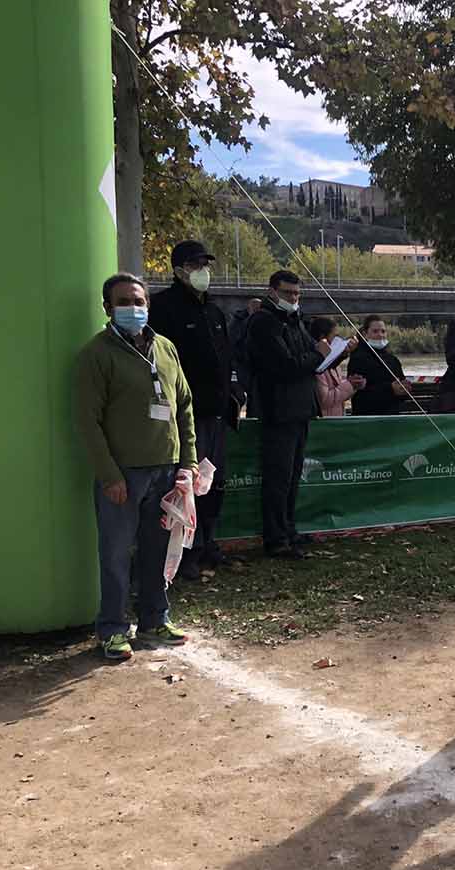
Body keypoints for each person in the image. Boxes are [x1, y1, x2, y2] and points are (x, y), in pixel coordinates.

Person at [74, 272, 195, 661]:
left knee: (156, 550)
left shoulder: (166, 348)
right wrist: (110, 475)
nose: (134, 309)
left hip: (166, 470)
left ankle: (155, 619)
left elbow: (185, 408)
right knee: (115, 553)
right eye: (124, 302)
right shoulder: (97, 355)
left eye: (139, 301)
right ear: (108, 308)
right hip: (125, 476)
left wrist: (188, 463)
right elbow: (87, 421)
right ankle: (111, 629)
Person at [148, 239, 242, 579]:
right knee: (185, 484)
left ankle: (207, 545)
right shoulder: (163, 308)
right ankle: (181, 553)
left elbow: (227, 356)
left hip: (218, 412)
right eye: (195, 264)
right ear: (178, 269)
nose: (203, 271)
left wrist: (234, 390)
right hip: (185, 415)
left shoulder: (214, 310)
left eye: (205, 264)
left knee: (213, 484)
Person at [247, 270, 321, 560]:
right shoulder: (265, 323)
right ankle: (275, 537)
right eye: (288, 293)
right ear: (272, 291)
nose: (294, 298)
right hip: (278, 410)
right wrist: (318, 355)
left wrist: (325, 355)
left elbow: (305, 360)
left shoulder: (294, 320)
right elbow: (286, 365)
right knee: (278, 478)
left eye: (297, 294)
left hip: (300, 409)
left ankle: (288, 529)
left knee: (291, 477)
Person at [348, 315, 411, 415]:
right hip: (367, 419)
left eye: (383, 331)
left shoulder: (393, 359)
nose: (380, 335)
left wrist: (404, 390)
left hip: (392, 417)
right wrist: (390, 389)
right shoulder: (357, 359)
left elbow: (402, 391)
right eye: (375, 331)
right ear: (365, 334)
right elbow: (359, 395)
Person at [308, 316, 365, 416]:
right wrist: (349, 385)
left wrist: (353, 384)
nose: (337, 341)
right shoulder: (317, 365)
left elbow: (339, 392)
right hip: (324, 424)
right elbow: (325, 400)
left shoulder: (333, 361)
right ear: (322, 338)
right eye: (334, 336)